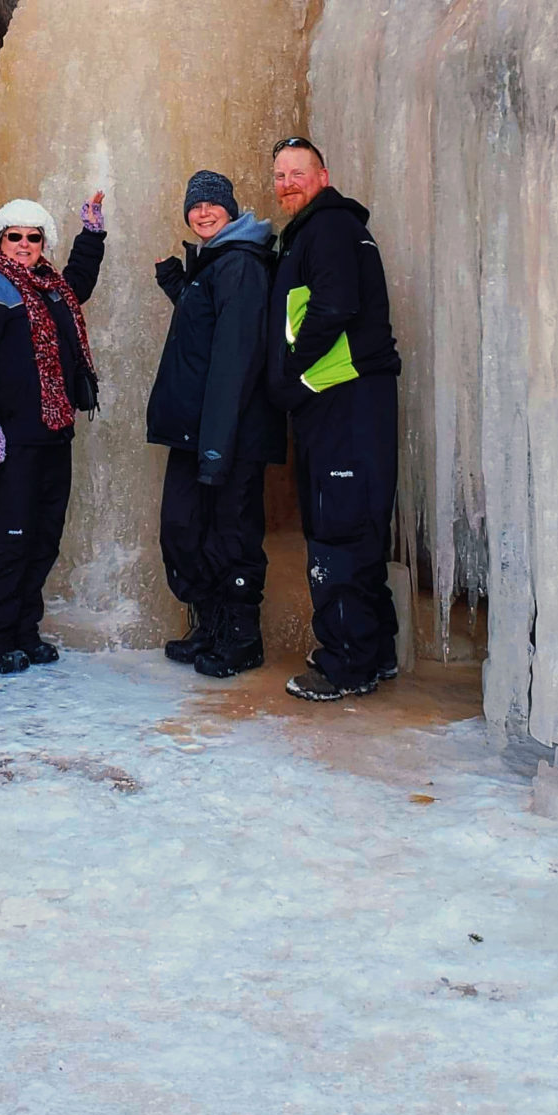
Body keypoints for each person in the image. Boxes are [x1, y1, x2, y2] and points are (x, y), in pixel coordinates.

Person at [265, 136, 403, 703]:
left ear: (324, 176)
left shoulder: (328, 228)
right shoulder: (324, 228)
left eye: (299, 172)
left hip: (342, 396)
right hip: (347, 399)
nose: (288, 182)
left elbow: (335, 305)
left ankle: (346, 663)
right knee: (358, 523)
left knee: (338, 526)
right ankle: (377, 650)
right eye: (279, 175)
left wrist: (291, 376)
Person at [0, 193, 105, 673]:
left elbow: (78, 284)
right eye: (14, 236)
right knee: (9, 539)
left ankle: (23, 628)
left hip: (53, 433)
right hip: (13, 440)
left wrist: (92, 235)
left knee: (43, 537)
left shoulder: (50, 286)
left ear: (44, 243)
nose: (23, 244)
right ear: (0, 239)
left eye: (33, 237)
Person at [146, 170, 284, 680]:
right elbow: (207, 329)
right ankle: (211, 623)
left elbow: (235, 357)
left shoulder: (241, 265)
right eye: (195, 207)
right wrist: (177, 285)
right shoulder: (216, 263)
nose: (203, 214)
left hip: (229, 434)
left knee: (232, 532)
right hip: (198, 430)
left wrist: (217, 446)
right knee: (186, 528)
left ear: (230, 209)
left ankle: (241, 637)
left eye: (212, 206)